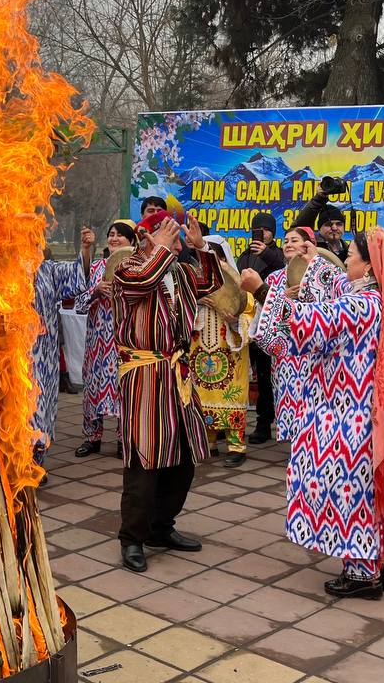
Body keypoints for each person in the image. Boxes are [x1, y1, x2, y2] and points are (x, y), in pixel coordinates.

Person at [257, 226, 384, 599]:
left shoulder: (360, 306)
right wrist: (313, 261)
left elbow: (308, 322)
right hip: (373, 415)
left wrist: (262, 292)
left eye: (350, 256)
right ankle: (379, 562)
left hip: (349, 417)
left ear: (368, 266)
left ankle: (361, 575)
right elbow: (337, 287)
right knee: (374, 490)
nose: (345, 261)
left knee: (350, 494)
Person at [115, 210, 225, 573]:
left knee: (184, 457)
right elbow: (141, 283)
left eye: (178, 240)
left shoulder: (178, 272)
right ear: (149, 237)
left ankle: (161, 528)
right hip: (145, 376)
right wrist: (160, 248)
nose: (178, 246)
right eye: (171, 238)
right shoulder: (127, 267)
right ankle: (132, 538)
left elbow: (210, 283)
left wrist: (201, 247)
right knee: (145, 459)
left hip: (178, 374)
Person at [253, 227, 344, 448]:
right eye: (286, 241)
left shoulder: (322, 275)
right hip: (286, 353)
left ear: (308, 244)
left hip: (313, 352)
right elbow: (261, 312)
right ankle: (296, 446)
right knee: (288, 398)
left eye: (294, 240)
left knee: (313, 401)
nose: (288, 244)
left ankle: (314, 445)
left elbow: (331, 307)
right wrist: (281, 297)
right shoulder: (274, 278)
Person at [191, 235, 257, 468]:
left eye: (215, 259)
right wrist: (197, 303)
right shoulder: (195, 286)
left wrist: (234, 321)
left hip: (231, 354)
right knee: (202, 396)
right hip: (200, 352)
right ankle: (208, 443)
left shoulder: (242, 290)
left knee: (232, 397)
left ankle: (236, 447)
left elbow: (252, 320)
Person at [30, 227, 94, 462]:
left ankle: (36, 461)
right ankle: (17, 464)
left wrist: (85, 250)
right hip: (14, 354)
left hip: (42, 356)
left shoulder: (47, 270)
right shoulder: (3, 271)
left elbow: (76, 276)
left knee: (40, 406)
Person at [74, 222, 134, 458]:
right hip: (98, 341)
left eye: (120, 235)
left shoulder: (139, 269)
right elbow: (79, 304)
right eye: (111, 234)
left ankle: (123, 439)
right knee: (92, 387)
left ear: (132, 241)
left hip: (124, 341)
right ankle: (92, 438)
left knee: (124, 389)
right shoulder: (96, 267)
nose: (114, 238)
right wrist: (96, 291)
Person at [235, 212, 285, 447]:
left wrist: (266, 253)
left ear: (273, 232)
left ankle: (264, 423)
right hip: (245, 322)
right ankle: (233, 423)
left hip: (268, 322)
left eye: (266, 230)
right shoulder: (245, 256)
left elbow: (283, 269)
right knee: (242, 373)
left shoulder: (277, 254)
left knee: (266, 377)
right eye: (258, 230)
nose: (262, 234)